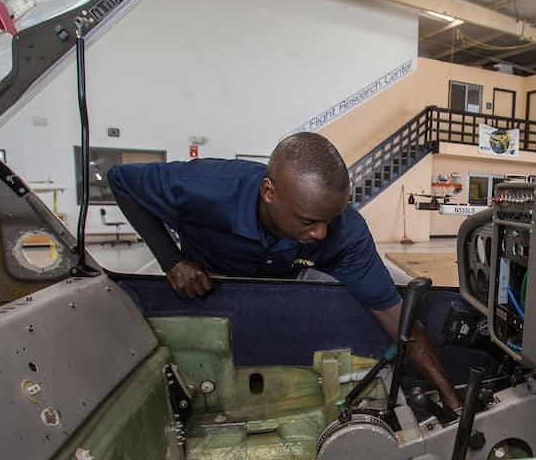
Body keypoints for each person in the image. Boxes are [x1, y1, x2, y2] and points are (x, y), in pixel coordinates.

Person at [107, 132, 461, 410]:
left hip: (283, 286)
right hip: (210, 289)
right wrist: (172, 261)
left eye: (329, 220)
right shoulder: (202, 187)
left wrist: (448, 393)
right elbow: (121, 181)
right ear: (269, 192)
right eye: (309, 221)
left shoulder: (347, 232)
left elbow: (395, 315)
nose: (321, 234)